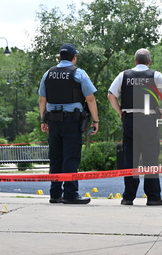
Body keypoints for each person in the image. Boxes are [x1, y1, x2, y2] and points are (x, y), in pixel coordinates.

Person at [107, 48, 162, 206]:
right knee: (151, 159)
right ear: (149, 62)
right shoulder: (155, 75)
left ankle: (128, 197)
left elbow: (111, 94)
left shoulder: (124, 75)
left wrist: (120, 112)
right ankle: (153, 197)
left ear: (135, 61)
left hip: (130, 120)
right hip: (149, 120)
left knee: (130, 159)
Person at [39, 43, 99, 204]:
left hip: (53, 121)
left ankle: (55, 193)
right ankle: (70, 193)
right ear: (74, 57)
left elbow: (42, 99)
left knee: (56, 158)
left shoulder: (48, 74)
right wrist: (96, 120)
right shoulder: (78, 73)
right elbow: (90, 98)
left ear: (60, 57)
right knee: (71, 157)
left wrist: (43, 119)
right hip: (72, 121)